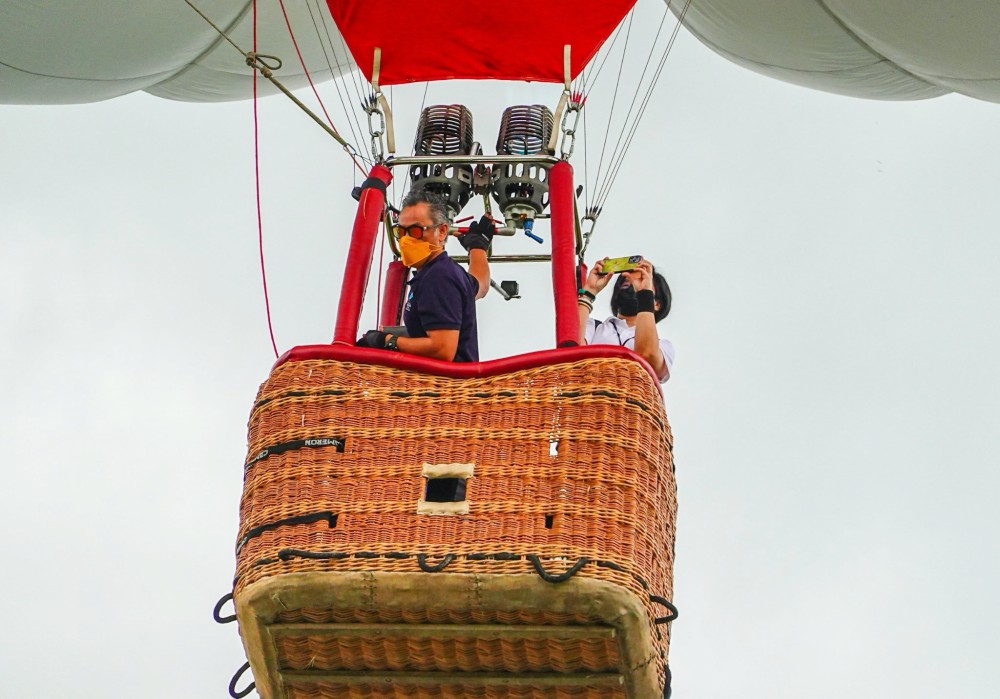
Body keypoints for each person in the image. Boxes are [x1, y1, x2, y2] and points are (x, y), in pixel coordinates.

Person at [356, 188, 492, 361]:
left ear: (442, 231)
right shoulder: (447, 271)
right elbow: (481, 284)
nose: (406, 240)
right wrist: (477, 245)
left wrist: (387, 340)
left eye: (415, 231)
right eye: (401, 232)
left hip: (440, 386)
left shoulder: (438, 276)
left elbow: (443, 349)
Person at [578, 257, 675, 382]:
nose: (629, 280)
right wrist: (589, 291)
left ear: (657, 304)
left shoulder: (663, 346)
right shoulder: (594, 327)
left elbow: (647, 357)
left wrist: (644, 294)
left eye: (640, 279)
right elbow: (570, 346)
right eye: (625, 278)